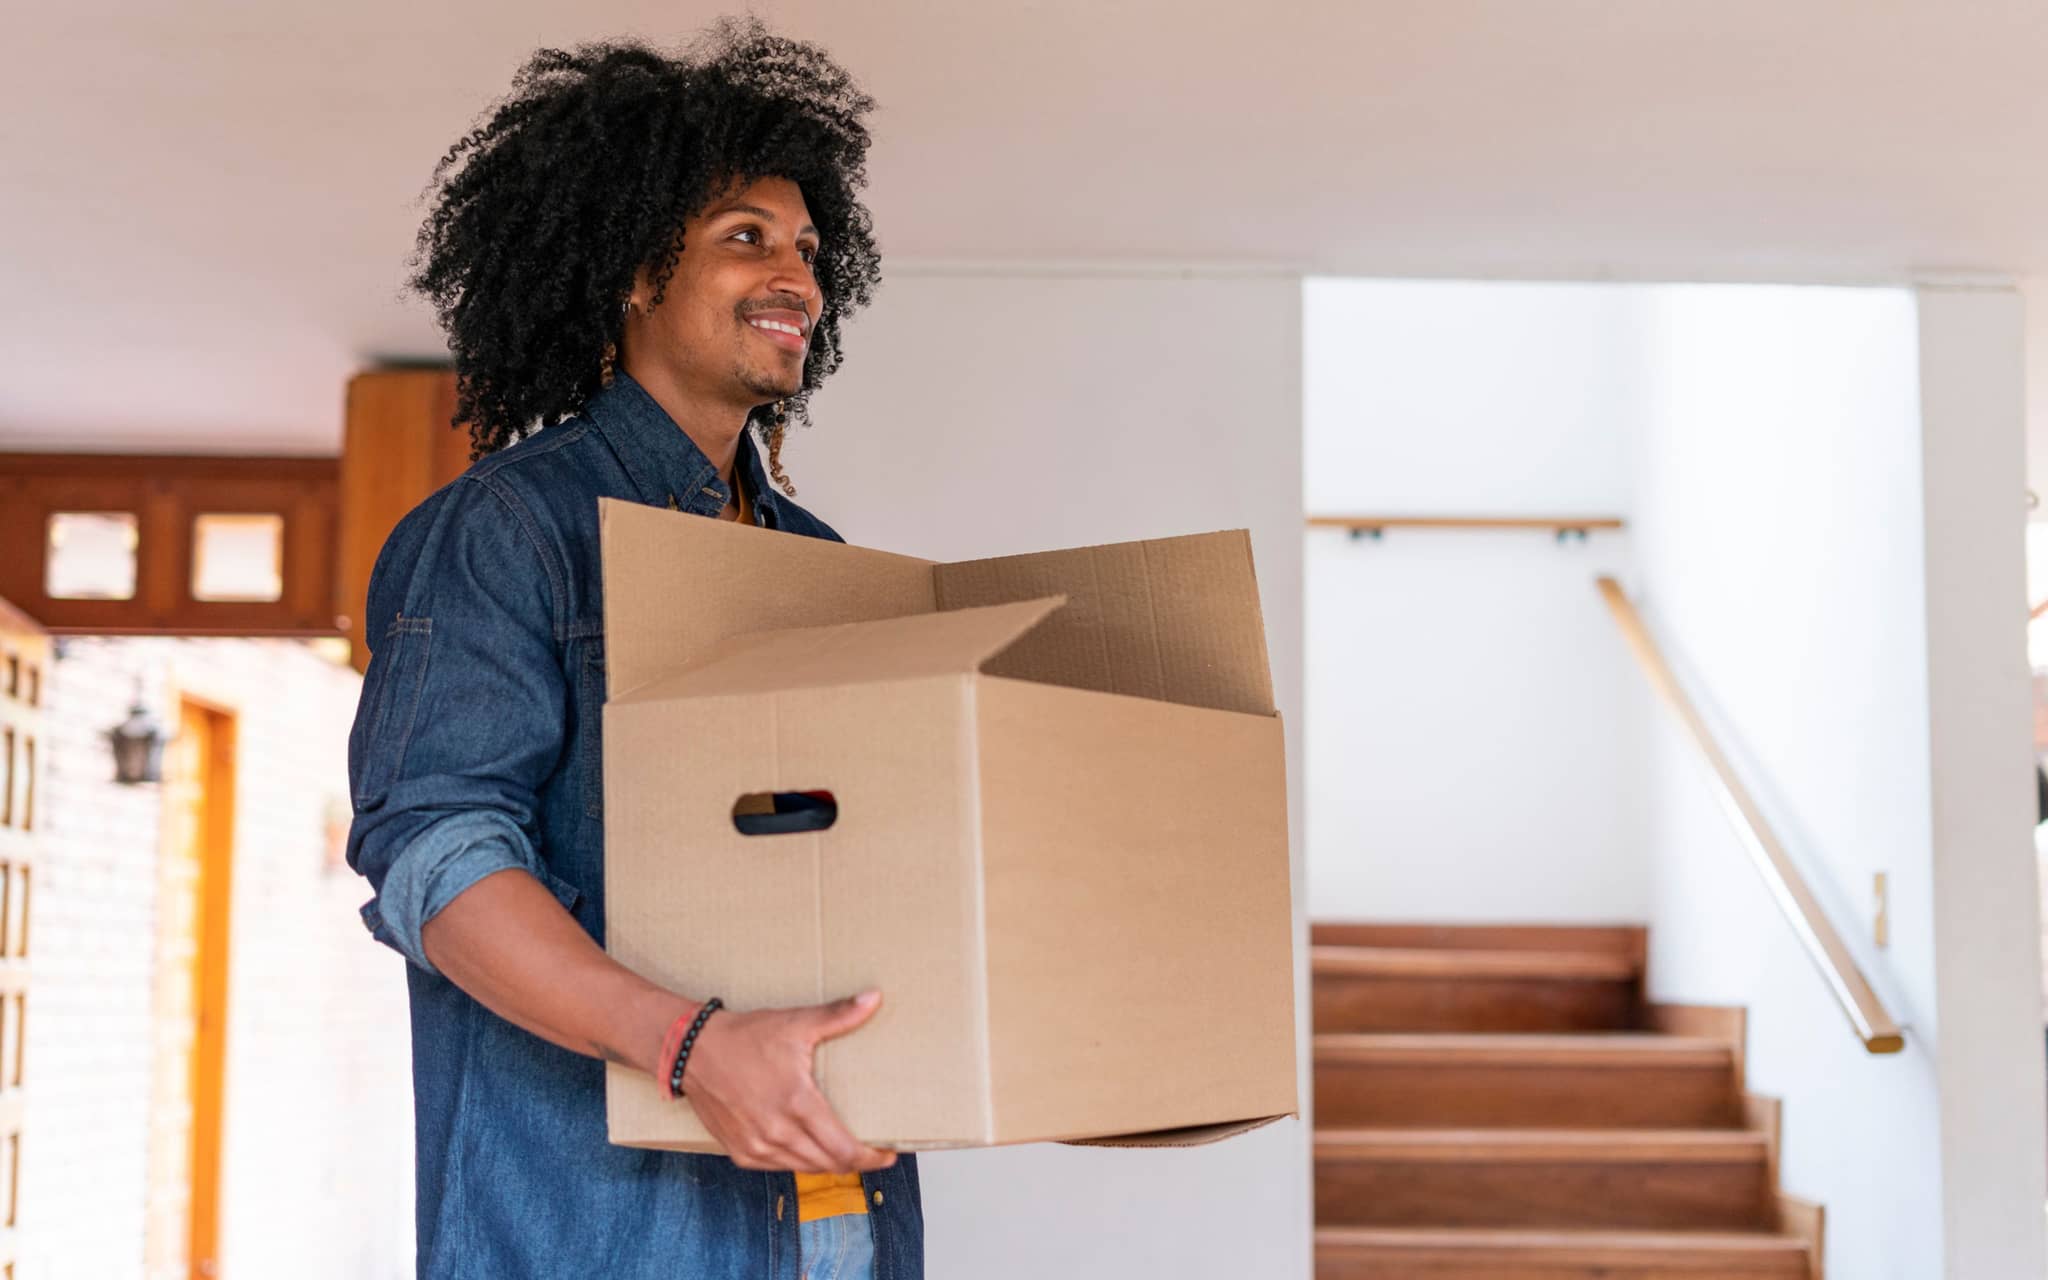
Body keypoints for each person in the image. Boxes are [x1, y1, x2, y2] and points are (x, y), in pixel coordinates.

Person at [344, 21, 918, 1279]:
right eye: (745, 238)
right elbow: (437, 860)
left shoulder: (812, 559)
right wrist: (692, 1045)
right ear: (632, 273)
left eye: (810, 250)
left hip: (830, 1223)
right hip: (601, 1232)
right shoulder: (508, 529)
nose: (797, 279)